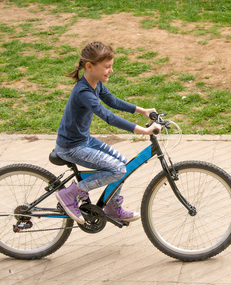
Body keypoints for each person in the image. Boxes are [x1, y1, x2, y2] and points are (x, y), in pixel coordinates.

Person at [55, 41, 161, 225]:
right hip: (71, 147)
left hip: (84, 140)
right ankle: (70, 193)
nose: (111, 70)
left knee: (122, 164)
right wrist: (143, 130)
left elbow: (112, 101)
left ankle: (111, 207)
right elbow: (108, 116)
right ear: (90, 66)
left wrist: (142, 110)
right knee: (118, 170)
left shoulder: (95, 84)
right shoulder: (83, 92)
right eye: (107, 67)